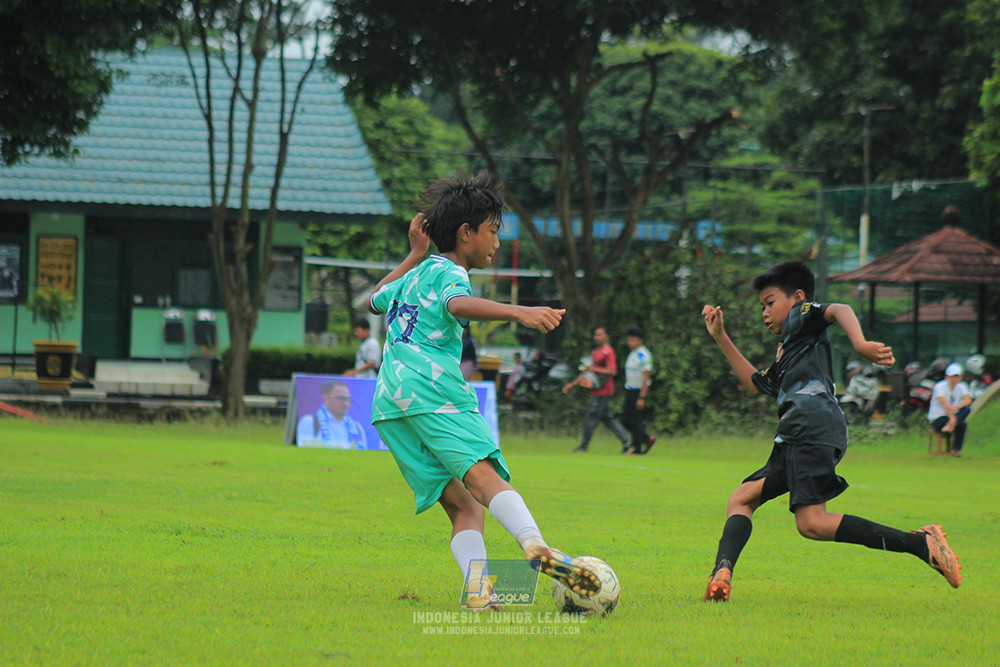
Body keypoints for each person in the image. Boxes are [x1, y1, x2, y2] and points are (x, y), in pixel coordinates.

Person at [366, 171, 600, 609]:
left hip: (389, 405)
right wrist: (522, 312)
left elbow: (374, 299)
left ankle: (479, 592)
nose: (496, 243)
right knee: (483, 478)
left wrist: (413, 254)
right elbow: (458, 305)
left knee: (465, 509)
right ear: (466, 233)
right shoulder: (451, 273)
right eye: (493, 232)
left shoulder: (414, 274)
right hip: (433, 395)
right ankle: (537, 547)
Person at [700, 260, 961, 603]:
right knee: (746, 500)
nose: (764, 313)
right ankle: (722, 571)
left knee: (813, 523)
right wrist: (720, 336)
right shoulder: (790, 348)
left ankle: (920, 544)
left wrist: (861, 343)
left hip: (809, 424)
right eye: (762, 306)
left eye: (769, 302)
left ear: (795, 297)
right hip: (800, 430)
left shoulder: (799, 315)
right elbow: (756, 384)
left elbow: (839, 308)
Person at [562, 325, 632, 453]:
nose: (598, 337)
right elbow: (588, 373)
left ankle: (583, 446)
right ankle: (627, 443)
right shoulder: (595, 352)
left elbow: (612, 371)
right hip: (596, 390)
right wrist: (572, 384)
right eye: (596, 335)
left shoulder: (608, 352)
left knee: (591, 418)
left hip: (604, 390)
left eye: (600, 335)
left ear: (606, 337)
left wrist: (592, 369)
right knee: (608, 419)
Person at [296, 380, 368, 450]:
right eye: (341, 398)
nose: (345, 404)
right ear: (326, 398)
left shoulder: (357, 427)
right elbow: (305, 449)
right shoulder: (309, 422)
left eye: (348, 399)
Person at [621, 327, 656, 455]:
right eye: (629, 340)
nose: (630, 343)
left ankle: (636, 448)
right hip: (630, 390)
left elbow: (646, 377)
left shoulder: (643, 355)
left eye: (633, 340)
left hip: (638, 391)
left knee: (636, 420)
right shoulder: (633, 353)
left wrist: (642, 397)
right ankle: (646, 439)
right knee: (625, 419)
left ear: (641, 341)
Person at [928, 363, 972, 457]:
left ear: (960, 377)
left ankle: (956, 450)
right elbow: (944, 405)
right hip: (939, 417)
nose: (953, 379)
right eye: (951, 377)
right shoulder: (939, 387)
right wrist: (952, 419)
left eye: (956, 377)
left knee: (966, 413)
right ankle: (949, 426)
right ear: (946, 376)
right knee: (959, 422)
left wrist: (958, 406)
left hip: (952, 417)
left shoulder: (962, 386)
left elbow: (968, 400)